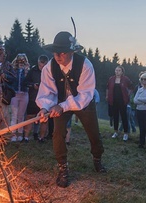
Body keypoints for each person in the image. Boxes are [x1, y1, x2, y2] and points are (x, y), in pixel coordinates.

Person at [36, 31, 106, 188]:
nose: (58, 56)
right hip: (60, 104)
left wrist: (62, 106)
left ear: (71, 52)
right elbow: (46, 91)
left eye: (63, 52)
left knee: (94, 133)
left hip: (83, 103)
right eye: (56, 52)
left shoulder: (85, 65)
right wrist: (45, 108)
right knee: (57, 133)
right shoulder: (49, 67)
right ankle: (63, 169)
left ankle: (97, 158)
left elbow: (85, 95)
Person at [24, 55, 49, 143]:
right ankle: (26, 137)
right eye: (40, 65)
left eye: (44, 65)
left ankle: (41, 138)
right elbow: (25, 82)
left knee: (44, 118)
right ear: (38, 63)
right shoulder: (33, 70)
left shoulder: (50, 71)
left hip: (45, 99)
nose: (42, 67)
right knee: (30, 117)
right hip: (33, 97)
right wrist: (33, 85)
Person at [106, 66, 133, 141]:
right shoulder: (111, 79)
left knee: (124, 117)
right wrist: (107, 96)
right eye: (116, 70)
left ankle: (125, 133)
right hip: (113, 100)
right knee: (115, 117)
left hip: (122, 101)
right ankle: (115, 132)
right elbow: (108, 88)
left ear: (122, 72)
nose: (117, 71)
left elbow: (131, 87)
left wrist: (128, 95)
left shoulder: (125, 79)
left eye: (119, 70)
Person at [10, 53, 30, 142]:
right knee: (14, 115)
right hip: (14, 94)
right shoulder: (13, 70)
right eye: (19, 60)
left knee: (21, 115)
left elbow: (30, 81)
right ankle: (13, 133)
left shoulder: (28, 71)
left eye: (23, 60)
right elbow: (9, 80)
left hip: (24, 94)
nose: (21, 62)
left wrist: (26, 72)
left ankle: (20, 133)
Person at [133, 72, 146, 153]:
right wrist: (143, 101)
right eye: (142, 79)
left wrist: (140, 99)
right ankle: (141, 143)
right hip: (139, 110)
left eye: (145, 79)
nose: (143, 80)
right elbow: (135, 100)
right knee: (141, 128)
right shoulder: (139, 89)